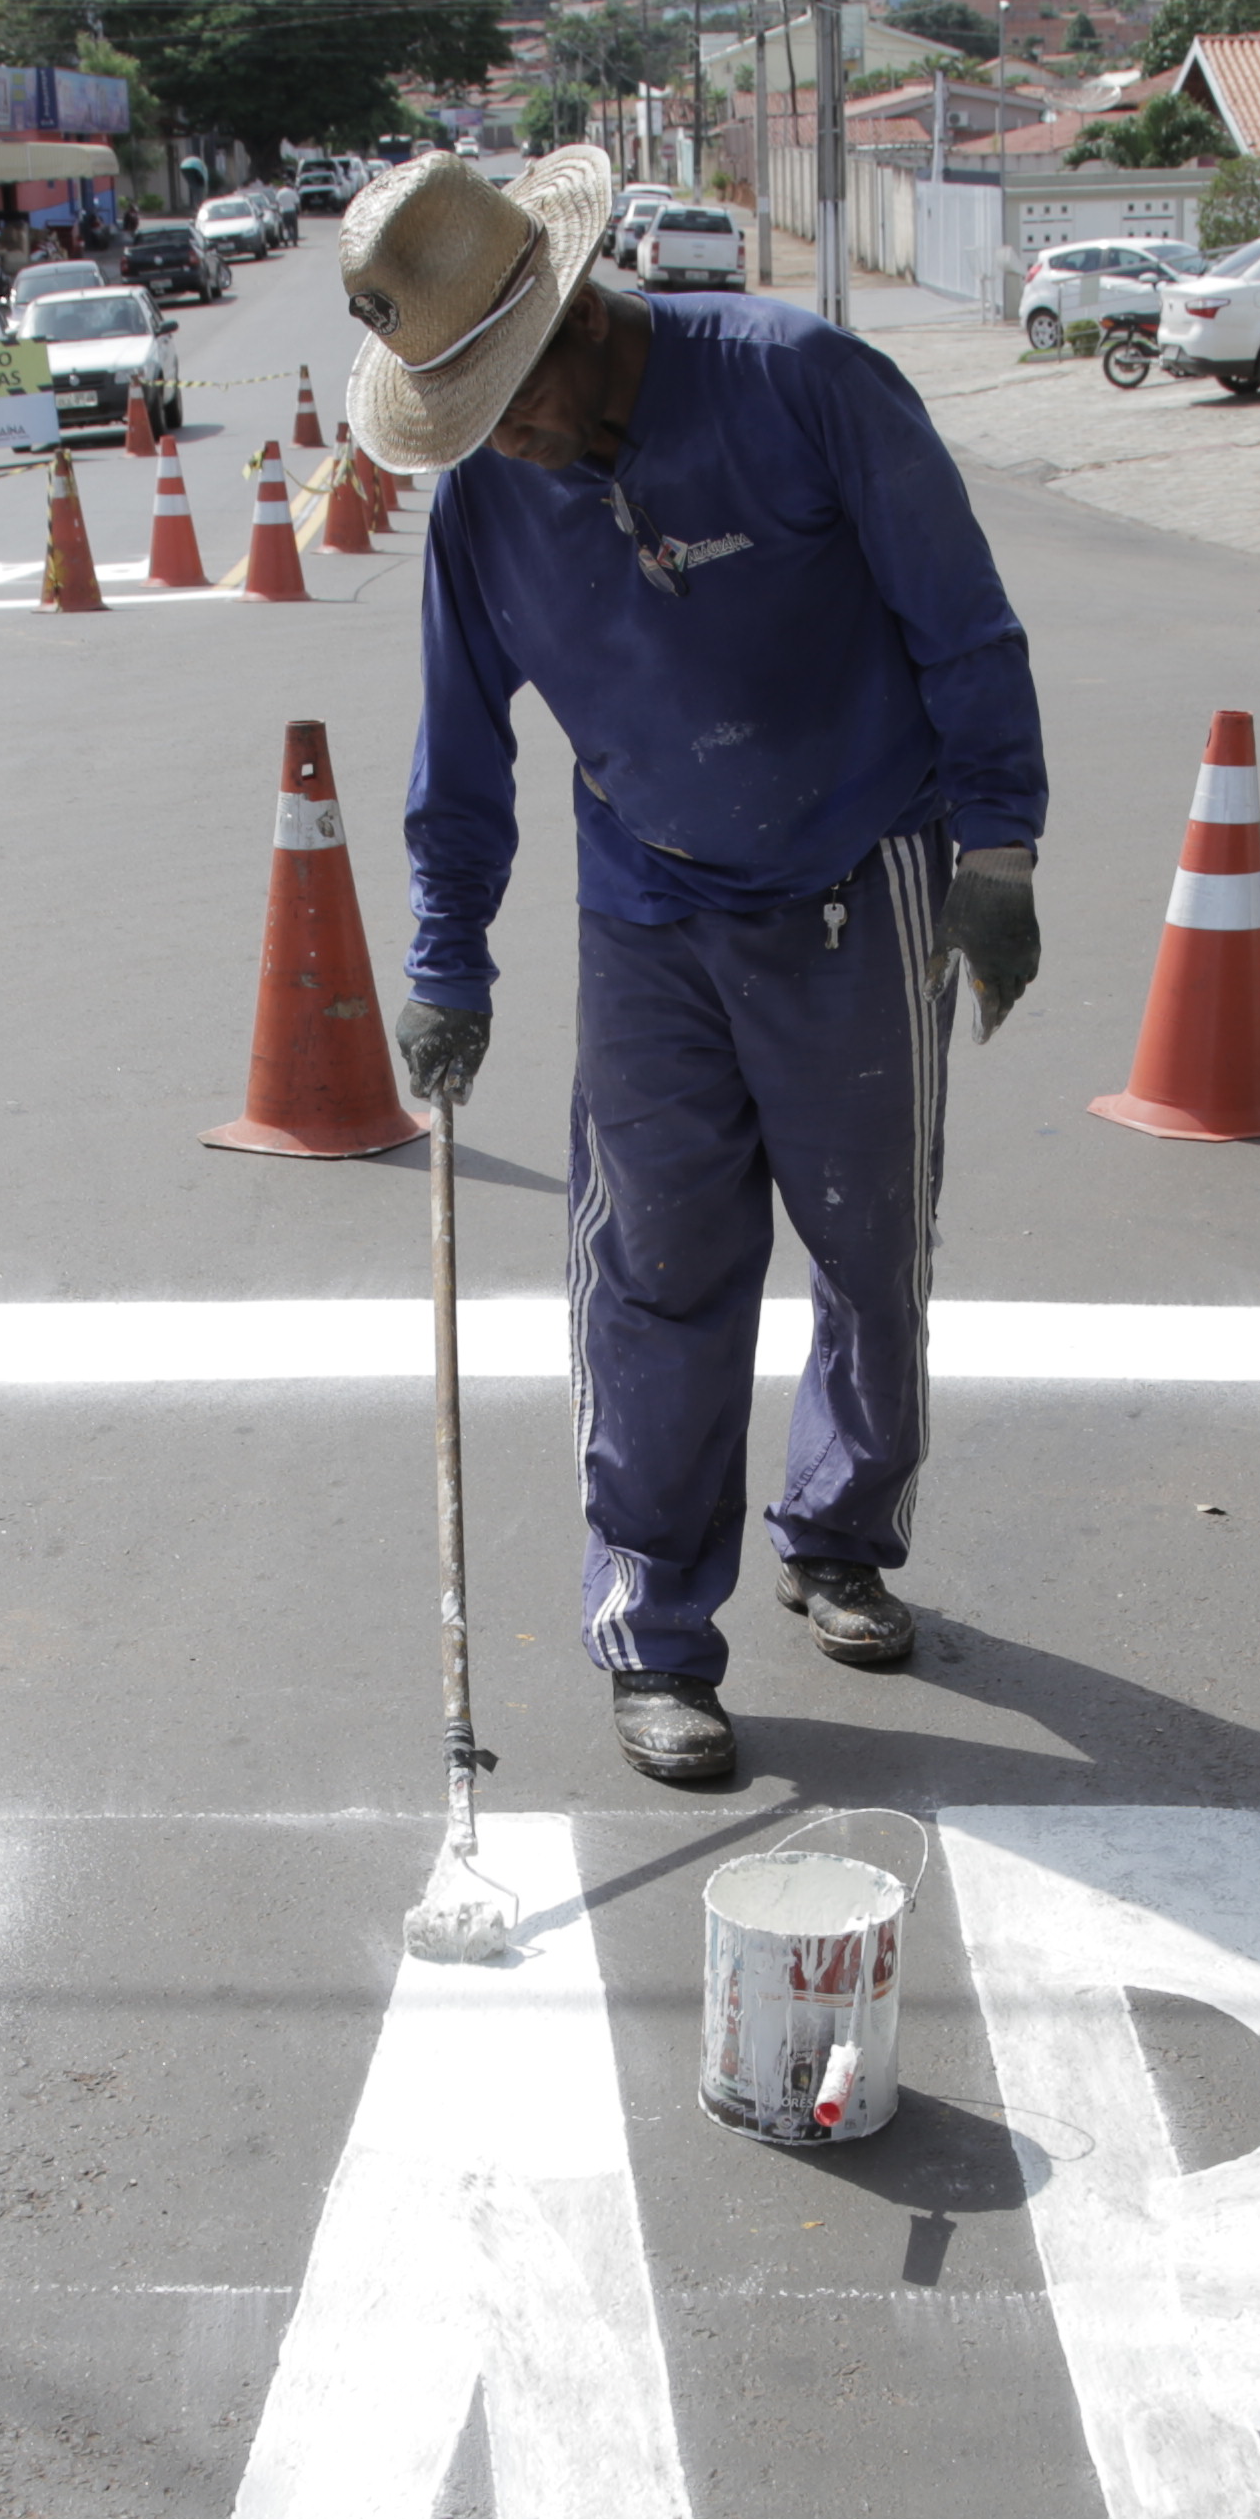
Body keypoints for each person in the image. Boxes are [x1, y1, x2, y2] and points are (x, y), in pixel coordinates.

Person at [345, 146, 1046, 1792]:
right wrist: (449, 961)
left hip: (853, 873)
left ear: (575, 312)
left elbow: (961, 617)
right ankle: (656, 1628)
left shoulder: (800, 386)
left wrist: (999, 849)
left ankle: (839, 1526)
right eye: (464, 413)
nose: (501, 436)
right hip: (646, 901)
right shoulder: (483, 509)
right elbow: (461, 756)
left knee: (873, 1246)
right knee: (652, 1269)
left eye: (509, 396)